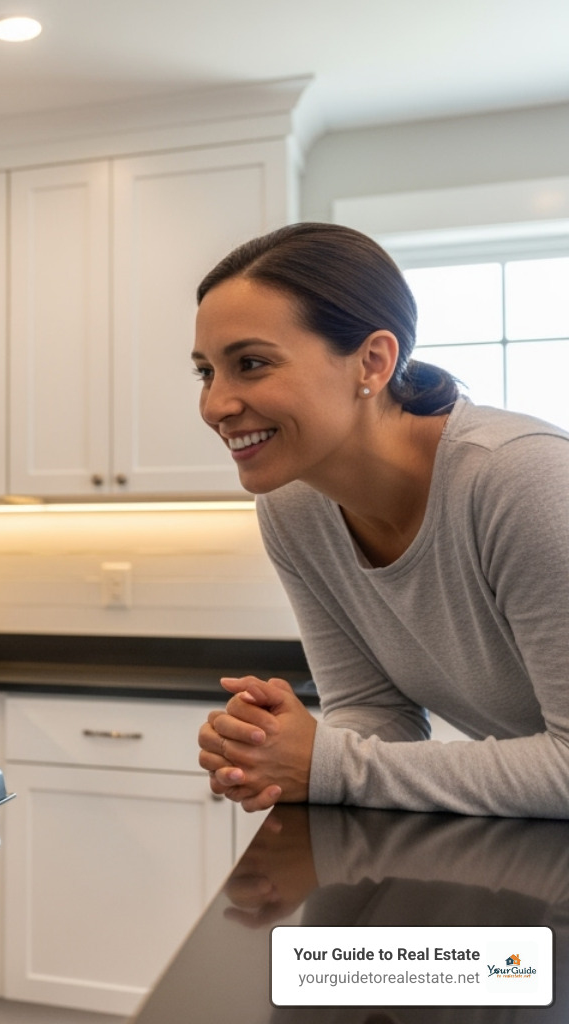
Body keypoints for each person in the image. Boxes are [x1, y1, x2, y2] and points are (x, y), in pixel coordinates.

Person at [191, 222, 569, 818]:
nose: (215, 405)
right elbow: (373, 708)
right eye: (206, 371)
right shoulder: (293, 506)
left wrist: (327, 764)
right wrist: (274, 751)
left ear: (372, 361)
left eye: (253, 363)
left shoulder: (522, 478)